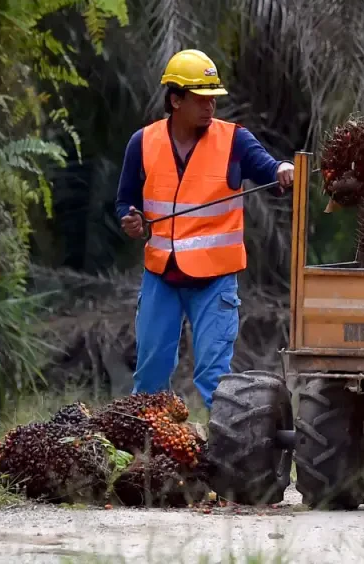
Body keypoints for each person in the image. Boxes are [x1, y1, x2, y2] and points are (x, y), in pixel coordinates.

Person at [115, 49, 294, 410]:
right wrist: (131, 220)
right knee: (150, 377)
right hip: (161, 276)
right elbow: (125, 202)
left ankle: (228, 459)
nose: (210, 107)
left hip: (215, 281)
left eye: (213, 99)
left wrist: (284, 169)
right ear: (175, 99)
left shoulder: (235, 141)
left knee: (215, 380)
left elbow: (270, 171)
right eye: (200, 99)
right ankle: (148, 455)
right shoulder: (143, 142)